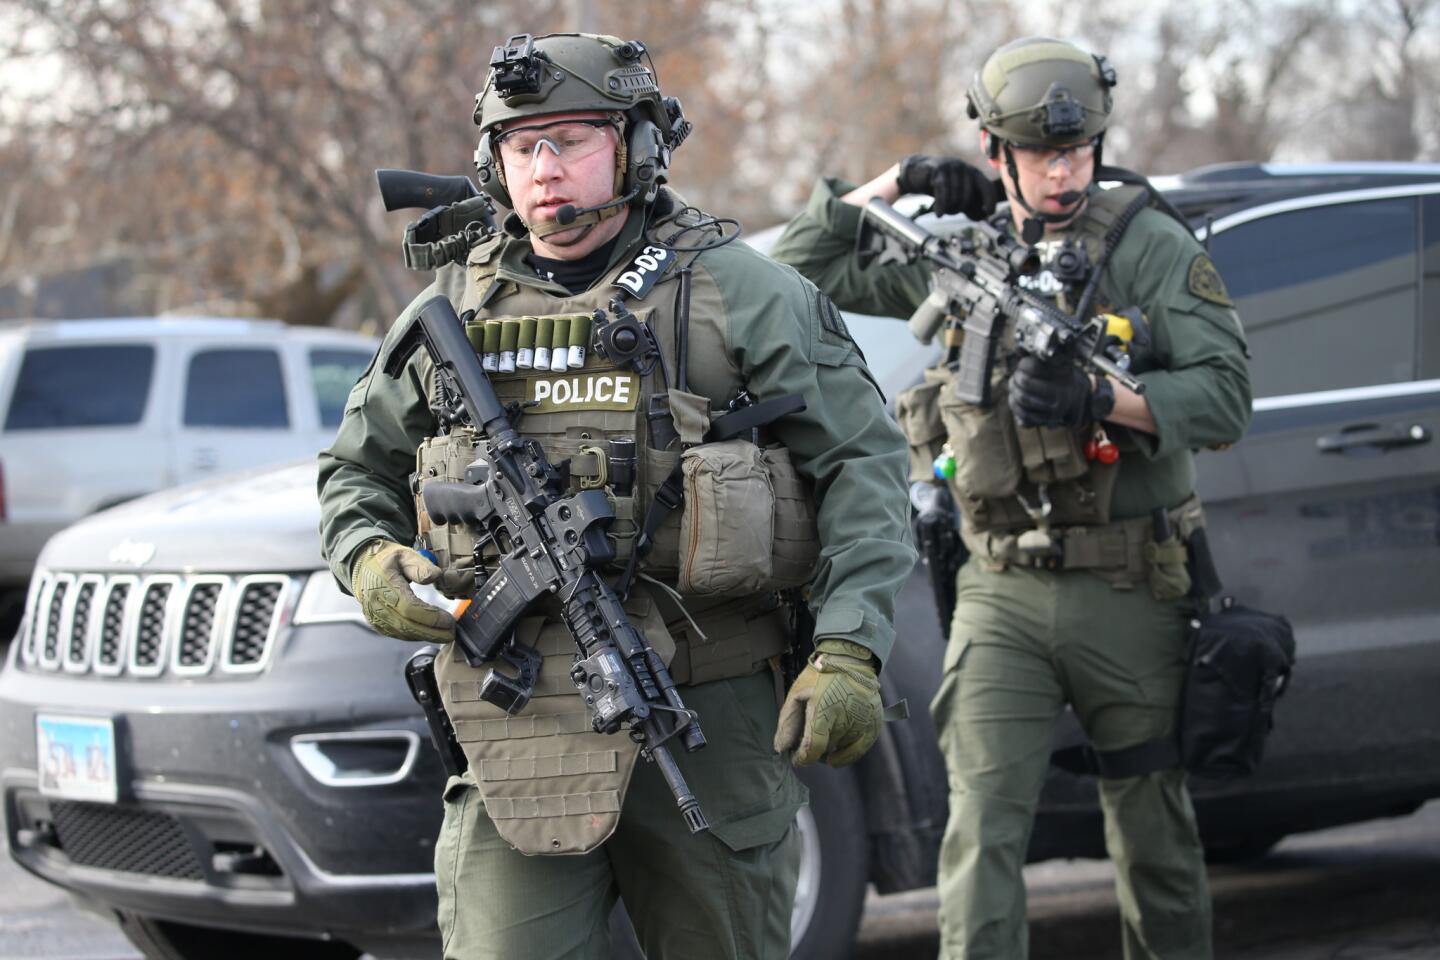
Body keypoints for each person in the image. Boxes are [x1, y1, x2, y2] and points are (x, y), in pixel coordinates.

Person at [317, 31, 914, 960]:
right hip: (520, 724)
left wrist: (849, 651)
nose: (545, 169)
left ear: (635, 146)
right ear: (493, 164)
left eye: (572, 140)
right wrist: (369, 561)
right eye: (523, 147)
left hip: (709, 715)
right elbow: (355, 469)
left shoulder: (737, 292)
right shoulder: (454, 308)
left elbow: (866, 467)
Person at [770, 36, 1252, 960]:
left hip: (1130, 583)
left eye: (1077, 151)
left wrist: (1104, 398)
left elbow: (1228, 397)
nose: (1064, 171)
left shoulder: (1148, 246)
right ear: (996, 154)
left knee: (1153, 832)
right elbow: (803, 267)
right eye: (1039, 153)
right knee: (981, 829)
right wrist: (892, 180)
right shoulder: (973, 251)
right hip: (1000, 593)